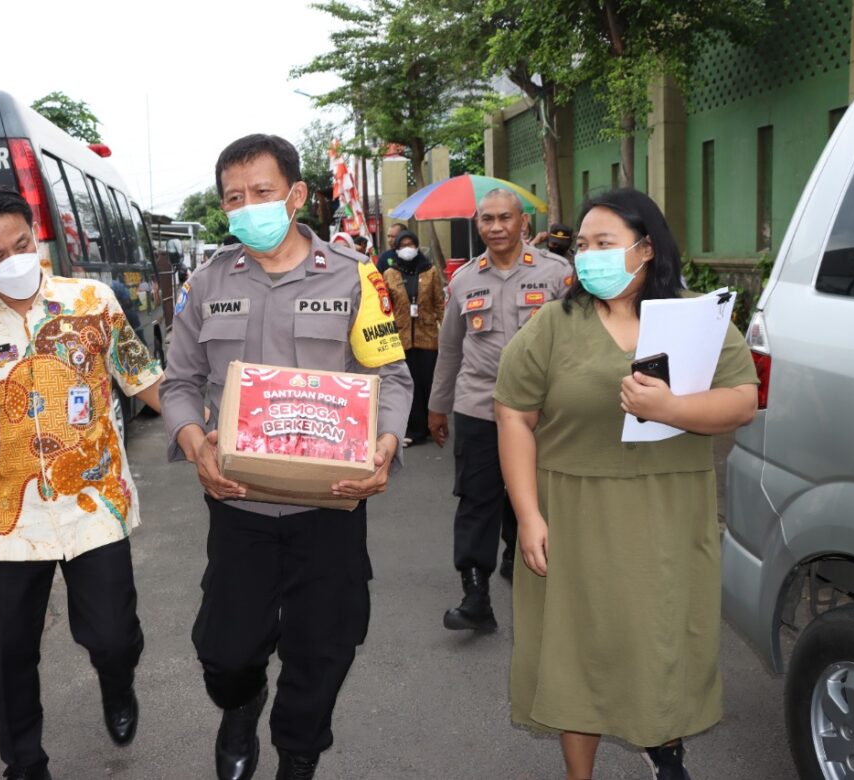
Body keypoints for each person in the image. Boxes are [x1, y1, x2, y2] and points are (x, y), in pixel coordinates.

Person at [161, 133, 412, 780]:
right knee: (225, 653)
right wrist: (195, 446)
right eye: (234, 198)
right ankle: (239, 706)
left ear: (296, 195)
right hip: (238, 503)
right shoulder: (206, 283)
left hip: (330, 506)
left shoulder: (355, 276)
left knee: (325, 646)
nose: (249, 208)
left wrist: (385, 443)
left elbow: (392, 377)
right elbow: (180, 383)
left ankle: (298, 754)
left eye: (263, 193)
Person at [494, 188, 758, 780]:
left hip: (666, 512)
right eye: (582, 245)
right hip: (574, 513)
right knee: (576, 651)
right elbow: (513, 412)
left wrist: (670, 409)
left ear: (646, 249)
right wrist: (529, 515)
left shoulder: (700, 318)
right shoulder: (554, 325)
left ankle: (665, 750)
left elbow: (742, 401)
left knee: (660, 643)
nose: (588, 256)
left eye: (603, 244)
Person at [0, 184, 163, 780]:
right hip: (11, 516)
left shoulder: (93, 301)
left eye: (22, 243)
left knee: (110, 637)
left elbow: (144, 380)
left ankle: (117, 679)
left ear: (37, 237)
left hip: (94, 502)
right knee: (11, 653)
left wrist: (203, 430)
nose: (14, 259)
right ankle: (24, 764)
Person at [427, 188, 570, 632]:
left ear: (523, 222)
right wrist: (438, 405)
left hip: (541, 410)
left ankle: (532, 562)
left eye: (504, 218)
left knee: (538, 492)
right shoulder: (465, 280)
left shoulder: (556, 274)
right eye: (486, 219)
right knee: (476, 497)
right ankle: (475, 594)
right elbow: (450, 348)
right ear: (478, 225)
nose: (496, 227)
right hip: (478, 405)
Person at [382, 228, 444, 446]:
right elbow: (384, 308)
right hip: (401, 338)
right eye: (403, 245)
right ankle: (412, 429)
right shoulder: (389, 274)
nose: (407, 249)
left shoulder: (431, 271)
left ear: (417, 246)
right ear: (396, 249)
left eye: (411, 244)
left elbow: (439, 302)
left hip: (427, 336)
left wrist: (446, 330)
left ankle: (431, 425)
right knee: (408, 384)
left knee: (427, 382)